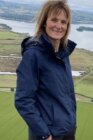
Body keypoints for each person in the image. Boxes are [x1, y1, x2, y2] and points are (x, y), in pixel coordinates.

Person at [14, 0, 77, 140]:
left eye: (63, 22)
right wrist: (44, 134)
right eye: (54, 20)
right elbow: (23, 100)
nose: (59, 26)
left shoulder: (63, 54)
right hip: (49, 135)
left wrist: (71, 123)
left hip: (67, 132)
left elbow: (66, 95)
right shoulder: (33, 55)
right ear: (44, 22)